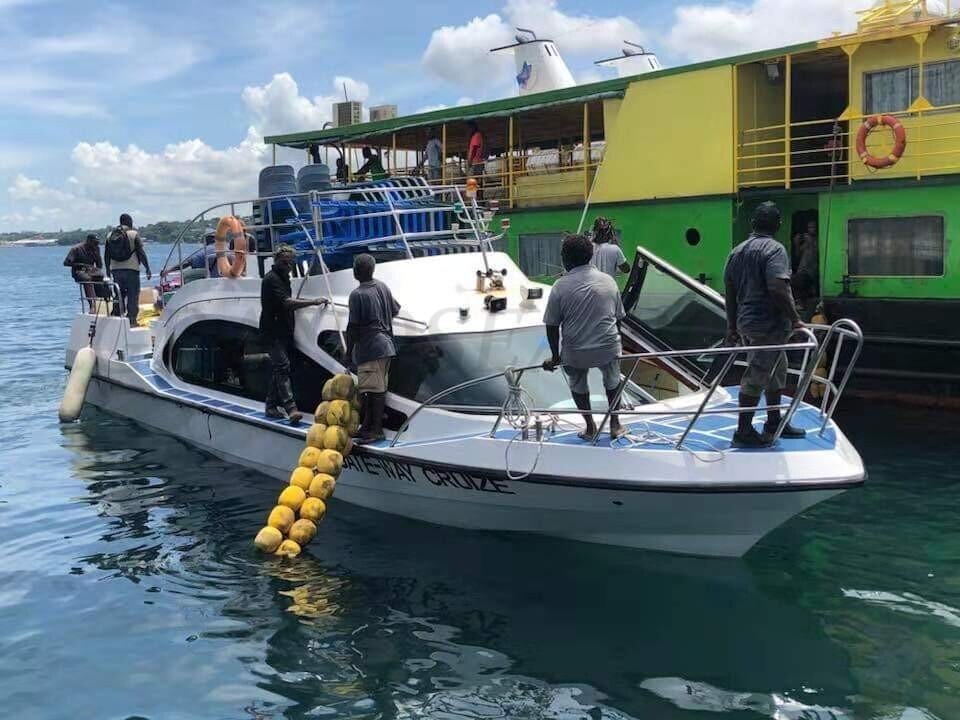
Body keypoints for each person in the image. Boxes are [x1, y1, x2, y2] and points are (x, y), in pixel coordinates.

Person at [724, 201, 806, 448]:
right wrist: (795, 319)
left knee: (777, 370)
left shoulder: (736, 252)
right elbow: (778, 287)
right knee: (757, 374)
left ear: (752, 224)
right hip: (768, 325)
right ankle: (743, 431)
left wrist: (731, 327)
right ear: (778, 225)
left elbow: (730, 293)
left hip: (747, 323)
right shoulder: (775, 250)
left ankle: (774, 421)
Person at [542, 234, 626, 441]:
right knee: (613, 379)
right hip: (607, 349)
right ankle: (615, 424)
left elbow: (552, 326)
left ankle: (590, 427)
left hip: (576, 353)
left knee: (577, 382)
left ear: (565, 259)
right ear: (590, 256)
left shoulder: (559, 286)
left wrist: (555, 357)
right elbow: (618, 319)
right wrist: (617, 346)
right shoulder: (608, 281)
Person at [260, 245, 327, 425]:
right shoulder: (271, 279)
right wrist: (313, 302)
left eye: (291, 263)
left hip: (284, 330)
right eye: (285, 263)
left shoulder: (283, 278)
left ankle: (270, 405)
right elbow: (286, 303)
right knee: (282, 366)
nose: (289, 266)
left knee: (280, 369)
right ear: (276, 261)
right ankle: (291, 408)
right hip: (272, 332)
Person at [346, 253, 401, 444]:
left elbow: (352, 327)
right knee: (371, 389)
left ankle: (376, 430)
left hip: (371, 349)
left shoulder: (357, 294)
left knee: (374, 391)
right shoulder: (382, 286)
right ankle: (366, 427)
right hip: (386, 346)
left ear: (356, 271)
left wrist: (348, 353)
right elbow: (395, 310)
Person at [105, 213, 152, 327]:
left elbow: (107, 255)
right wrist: (147, 268)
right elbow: (141, 253)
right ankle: (131, 320)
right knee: (133, 295)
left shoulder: (110, 235)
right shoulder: (133, 234)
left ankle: (117, 316)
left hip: (116, 270)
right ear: (129, 221)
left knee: (118, 294)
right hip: (132, 270)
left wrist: (107, 269)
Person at [64, 234, 103, 312]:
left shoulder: (96, 248)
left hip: (90, 270)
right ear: (88, 241)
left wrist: (97, 256)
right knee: (87, 279)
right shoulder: (76, 249)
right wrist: (80, 265)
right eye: (94, 242)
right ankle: (92, 305)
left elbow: (99, 265)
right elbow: (66, 263)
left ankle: (102, 300)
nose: (96, 244)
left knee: (102, 277)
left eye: (97, 243)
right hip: (78, 271)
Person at [793, 220, 820, 314]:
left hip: (812, 271)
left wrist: (811, 242)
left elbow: (817, 253)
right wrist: (796, 244)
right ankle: (799, 303)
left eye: (813, 227)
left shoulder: (818, 240)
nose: (811, 229)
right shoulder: (806, 242)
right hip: (803, 269)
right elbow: (798, 255)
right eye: (809, 227)